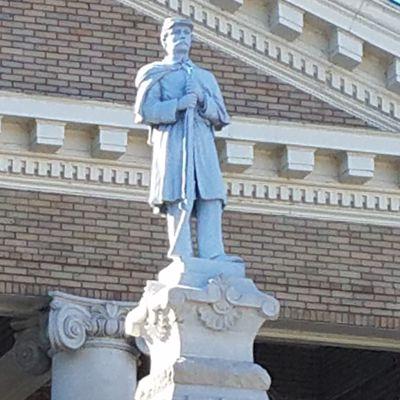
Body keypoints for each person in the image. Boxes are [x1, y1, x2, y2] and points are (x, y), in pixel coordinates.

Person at [134, 17, 241, 263]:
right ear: (165, 40)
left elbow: (221, 115)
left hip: (202, 141)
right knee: (180, 194)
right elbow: (146, 111)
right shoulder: (156, 74)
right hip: (174, 139)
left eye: (186, 33)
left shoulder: (204, 77)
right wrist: (178, 105)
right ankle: (182, 253)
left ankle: (213, 252)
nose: (182, 36)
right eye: (176, 33)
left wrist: (204, 100)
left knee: (211, 195)